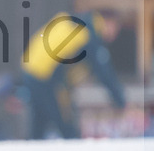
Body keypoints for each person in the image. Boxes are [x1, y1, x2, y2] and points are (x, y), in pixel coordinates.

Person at [21, 10, 126, 139]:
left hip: (30, 70)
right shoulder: (89, 33)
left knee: (40, 120)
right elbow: (104, 73)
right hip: (45, 77)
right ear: (108, 22)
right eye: (115, 29)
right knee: (66, 123)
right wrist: (120, 100)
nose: (114, 35)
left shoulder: (77, 22)